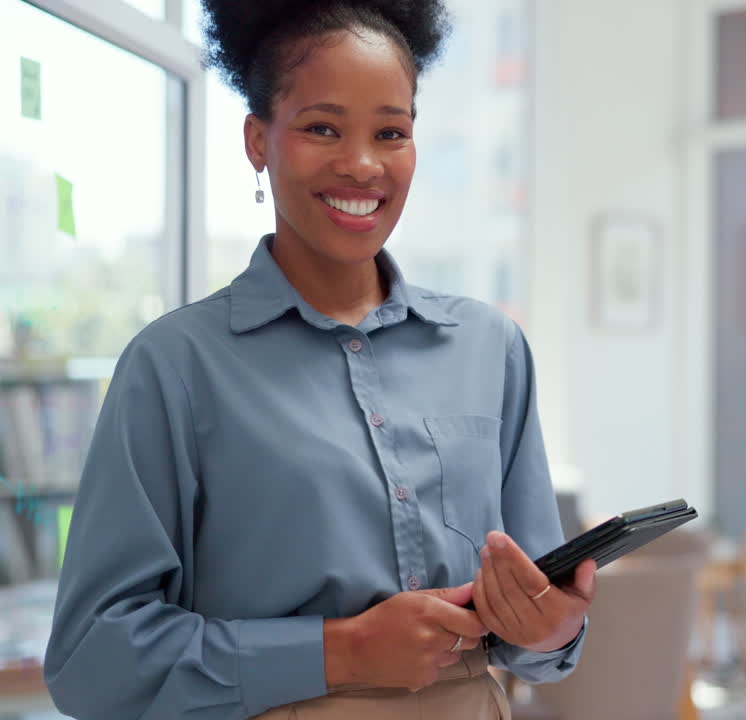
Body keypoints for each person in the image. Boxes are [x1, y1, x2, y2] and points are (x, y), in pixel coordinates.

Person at [43, 2, 595, 717]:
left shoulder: (491, 347)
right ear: (257, 139)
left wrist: (552, 627)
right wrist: (343, 650)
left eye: (390, 132)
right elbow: (91, 661)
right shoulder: (175, 366)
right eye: (321, 128)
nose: (362, 164)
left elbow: (539, 635)